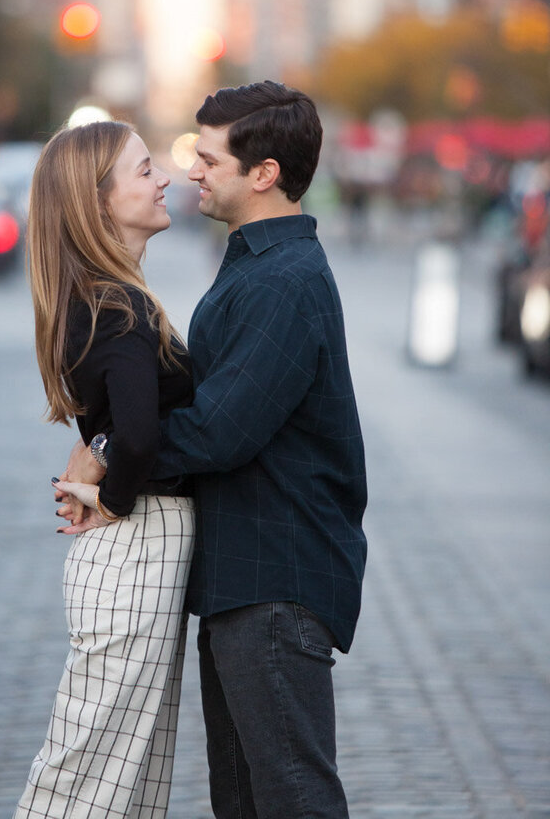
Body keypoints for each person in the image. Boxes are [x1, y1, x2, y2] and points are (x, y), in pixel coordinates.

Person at [61, 81, 367, 819]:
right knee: (244, 799)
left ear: (263, 174)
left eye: (208, 158)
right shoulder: (257, 266)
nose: (190, 170)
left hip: (274, 577)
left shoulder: (284, 281)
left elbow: (220, 429)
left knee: (290, 796)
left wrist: (108, 466)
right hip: (243, 577)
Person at [13, 120, 196, 819]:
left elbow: (120, 429)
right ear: (97, 202)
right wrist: (114, 497)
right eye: (145, 170)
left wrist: (101, 461)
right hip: (133, 554)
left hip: (133, 560)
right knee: (83, 785)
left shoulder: (101, 297)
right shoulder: (117, 307)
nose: (164, 179)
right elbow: (141, 438)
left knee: (126, 786)